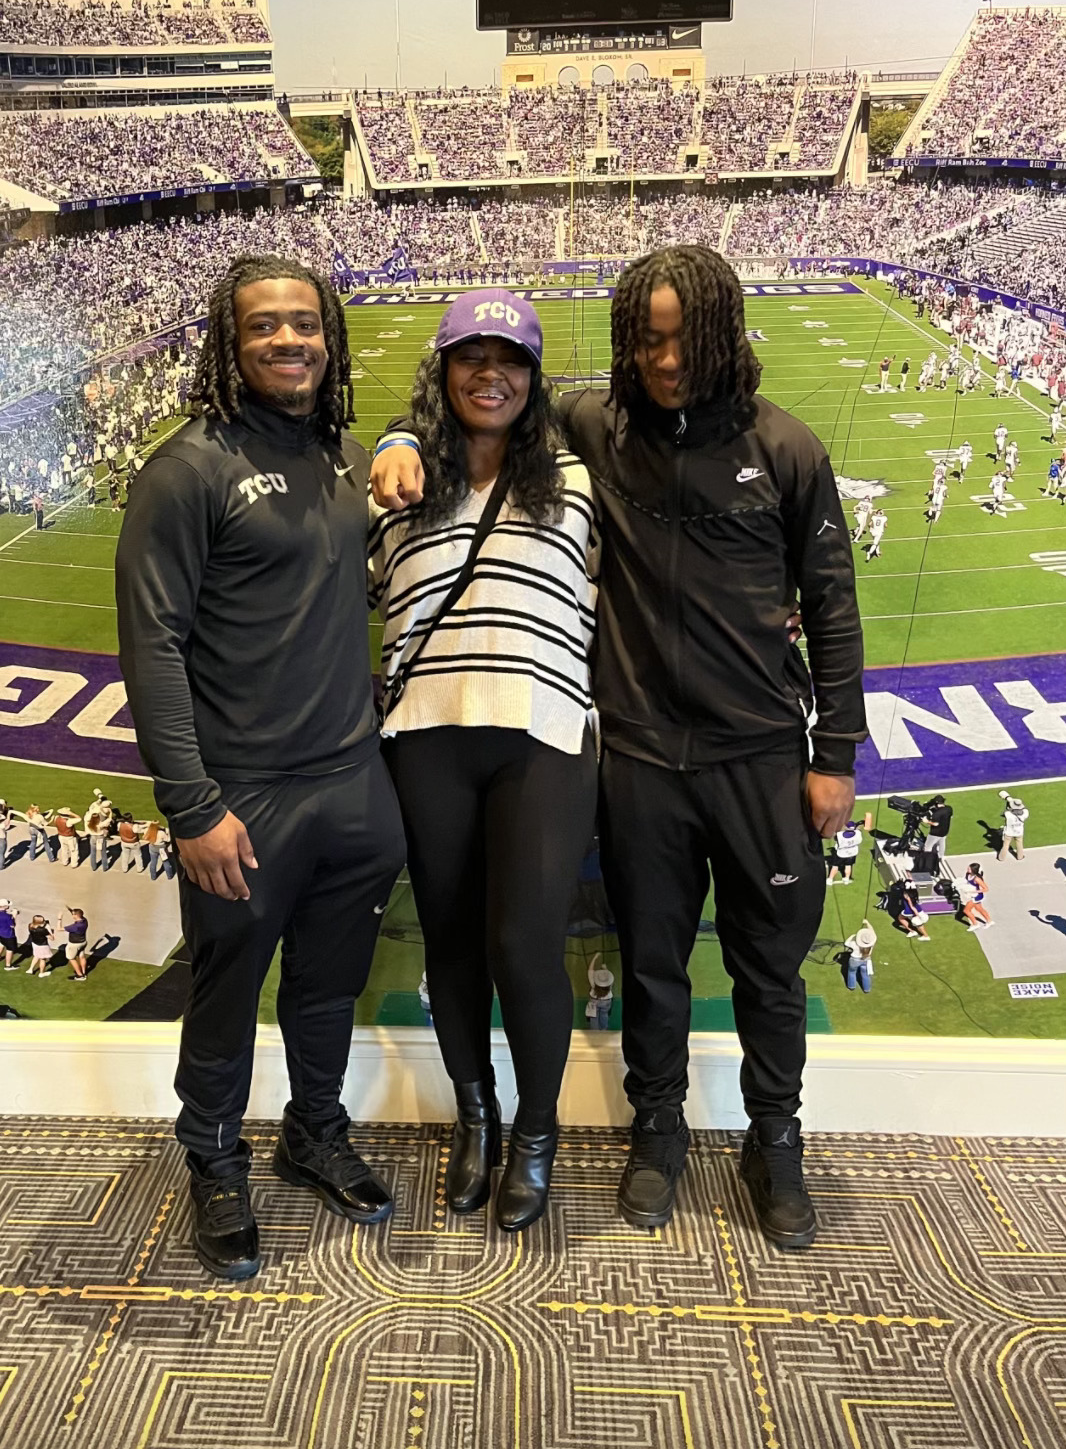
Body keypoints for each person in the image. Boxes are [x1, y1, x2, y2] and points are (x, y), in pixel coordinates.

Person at [372, 245, 866, 1253]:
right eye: (646, 334)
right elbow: (482, 401)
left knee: (770, 967)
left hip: (763, 754)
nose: (665, 355)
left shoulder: (788, 448)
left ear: (728, 329)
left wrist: (836, 753)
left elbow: (834, 605)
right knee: (651, 965)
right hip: (640, 754)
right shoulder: (597, 425)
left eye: (684, 334)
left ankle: (775, 1142)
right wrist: (391, 429)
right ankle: (659, 1132)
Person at [117, 253, 406, 1282]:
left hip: (352, 782)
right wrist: (192, 805)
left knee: (328, 987)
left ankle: (313, 1131)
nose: (289, 339)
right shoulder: (186, 469)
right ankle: (214, 1158)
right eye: (264, 326)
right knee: (228, 989)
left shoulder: (342, 454)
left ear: (330, 336)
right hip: (244, 795)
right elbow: (150, 647)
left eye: (305, 323)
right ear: (228, 344)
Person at [369, 291, 598, 1231]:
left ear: (534, 376)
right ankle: (477, 1114)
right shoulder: (395, 481)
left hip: (543, 728)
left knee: (524, 943)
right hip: (426, 729)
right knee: (453, 943)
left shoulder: (579, 479)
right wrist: (392, 436)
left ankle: (536, 1133)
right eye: (471, 356)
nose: (489, 373)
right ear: (443, 369)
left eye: (509, 358)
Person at [843, 920, 876, 992]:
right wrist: (868, 923)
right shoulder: (872, 941)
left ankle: (851, 986)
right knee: (865, 974)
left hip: (854, 960)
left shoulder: (854, 941)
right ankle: (866, 989)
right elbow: (872, 931)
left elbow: (846, 943)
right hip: (866, 959)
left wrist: (853, 936)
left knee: (852, 972)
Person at [827, 818, 863, 884]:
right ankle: (846, 879)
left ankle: (830, 879)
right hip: (852, 853)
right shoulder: (858, 833)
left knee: (835, 866)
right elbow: (858, 829)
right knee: (848, 866)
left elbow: (835, 837)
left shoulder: (840, 835)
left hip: (841, 853)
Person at [956, 863, 991, 929]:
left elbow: (986, 889)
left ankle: (975, 924)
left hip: (977, 896)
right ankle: (989, 921)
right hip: (972, 895)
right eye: (968, 867)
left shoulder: (977, 879)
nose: (967, 869)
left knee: (966, 910)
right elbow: (966, 881)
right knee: (979, 909)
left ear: (973, 870)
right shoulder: (967, 874)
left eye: (969, 868)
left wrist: (974, 891)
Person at [998, 791, 1028, 861]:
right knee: (1019, 844)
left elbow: (1008, 809)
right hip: (1019, 831)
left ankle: (1001, 858)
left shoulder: (1008, 814)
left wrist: (1008, 799)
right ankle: (1020, 857)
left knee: (1005, 845)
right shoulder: (1025, 813)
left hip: (1009, 832)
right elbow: (1024, 808)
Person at [62, 906, 90, 980]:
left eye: (73, 914)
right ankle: (84, 973)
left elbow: (59, 928)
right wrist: (71, 910)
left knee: (71, 958)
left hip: (74, 944)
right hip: (83, 942)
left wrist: (59, 919)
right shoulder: (84, 920)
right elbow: (78, 914)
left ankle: (80, 975)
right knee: (82, 956)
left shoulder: (75, 926)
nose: (72, 915)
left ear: (76, 915)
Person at [0, 898, 21, 969]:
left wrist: (11, 914)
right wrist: (14, 915)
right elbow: (12, 925)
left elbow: (3, 915)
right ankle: (8, 966)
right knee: (10, 949)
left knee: (2, 943)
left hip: (0, 931)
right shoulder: (7, 917)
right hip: (8, 934)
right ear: (5, 906)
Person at [922, 795, 952, 860]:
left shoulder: (937, 813)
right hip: (945, 831)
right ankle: (940, 856)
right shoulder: (949, 809)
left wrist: (927, 821)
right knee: (942, 843)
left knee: (927, 847)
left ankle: (927, 859)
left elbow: (936, 824)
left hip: (935, 833)